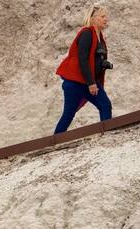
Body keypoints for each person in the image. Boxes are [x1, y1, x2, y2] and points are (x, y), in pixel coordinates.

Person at [54, 5, 113, 134]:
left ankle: (108, 134)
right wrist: (91, 83)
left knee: (105, 105)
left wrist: (103, 64)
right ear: (93, 19)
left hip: (88, 81)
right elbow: (83, 59)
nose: (106, 19)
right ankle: (54, 141)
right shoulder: (87, 33)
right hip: (76, 82)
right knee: (68, 114)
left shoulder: (99, 37)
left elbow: (95, 58)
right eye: (102, 16)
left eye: (106, 17)